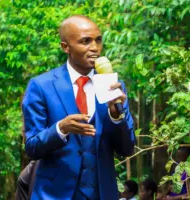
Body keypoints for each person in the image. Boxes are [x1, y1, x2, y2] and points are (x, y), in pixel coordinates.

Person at [22, 15, 136, 199]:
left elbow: (127, 148)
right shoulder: (42, 86)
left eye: (98, 40)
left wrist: (116, 117)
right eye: (85, 41)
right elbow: (32, 147)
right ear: (65, 47)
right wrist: (60, 129)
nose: (95, 48)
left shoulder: (113, 86)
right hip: (54, 195)